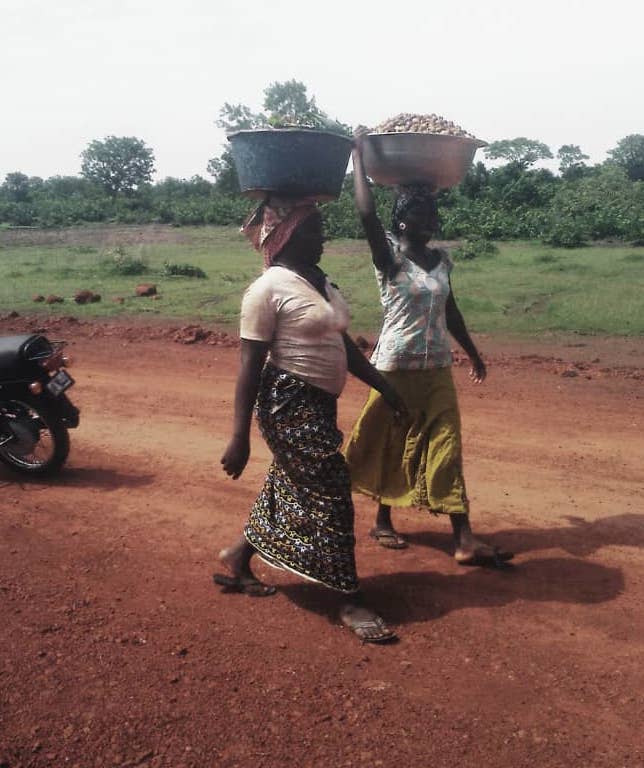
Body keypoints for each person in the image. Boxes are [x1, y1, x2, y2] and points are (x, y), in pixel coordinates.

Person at [215, 197, 407, 643]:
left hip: (320, 405)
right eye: (316, 229)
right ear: (288, 234)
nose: (324, 236)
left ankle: (238, 557)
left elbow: (345, 348)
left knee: (289, 482)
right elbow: (249, 366)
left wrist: (385, 386)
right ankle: (349, 597)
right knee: (332, 491)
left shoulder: (319, 282)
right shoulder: (268, 289)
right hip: (287, 404)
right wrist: (238, 436)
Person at [344, 131, 513, 567]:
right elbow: (365, 213)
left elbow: (450, 310)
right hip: (394, 366)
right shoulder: (389, 260)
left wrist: (472, 352)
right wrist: (357, 157)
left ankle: (464, 538)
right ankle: (382, 519)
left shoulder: (441, 261)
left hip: (437, 365)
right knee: (389, 438)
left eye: (433, 212)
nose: (431, 220)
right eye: (422, 213)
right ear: (401, 221)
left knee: (446, 442)